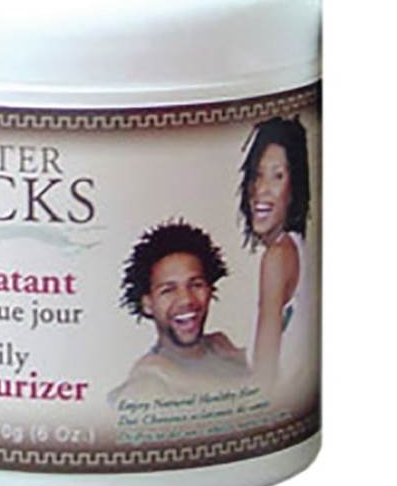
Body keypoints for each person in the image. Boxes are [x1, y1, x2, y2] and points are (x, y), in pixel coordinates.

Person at [108, 221, 247, 404]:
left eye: (196, 285)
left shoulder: (227, 352)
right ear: (147, 304)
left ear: (210, 289)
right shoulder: (146, 386)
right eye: (168, 290)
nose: (186, 300)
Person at [239, 115, 314, 393]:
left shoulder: (277, 257)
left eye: (277, 176)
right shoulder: (296, 247)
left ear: (295, 188)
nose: (261, 189)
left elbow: (264, 378)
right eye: (257, 175)